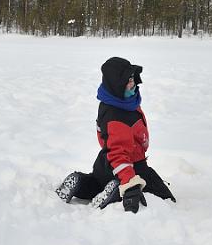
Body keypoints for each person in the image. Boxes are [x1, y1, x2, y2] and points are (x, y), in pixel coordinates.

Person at [55, 56, 175, 213]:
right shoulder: (117, 115)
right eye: (127, 80)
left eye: (132, 78)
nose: (132, 83)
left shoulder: (119, 101)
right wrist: (130, 182)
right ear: (116, 84)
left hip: (105, 161)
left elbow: (109, 142)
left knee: (96, 184)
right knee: (165, 198)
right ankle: (116, 191)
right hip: (127, 165)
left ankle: (80, 182)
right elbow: (118, 152)